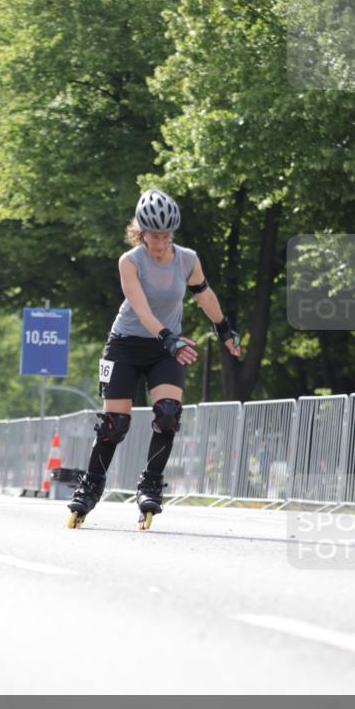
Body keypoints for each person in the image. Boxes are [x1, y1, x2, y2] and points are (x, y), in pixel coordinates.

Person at [67, 188, 241, 524]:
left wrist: (224, 328)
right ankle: (90, 487)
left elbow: (204, 295)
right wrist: (169, 338)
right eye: (153, 236)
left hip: (165, 349)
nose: (160, 243)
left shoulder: (187, 260)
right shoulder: (130, 262)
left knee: (168, 415)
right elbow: (142, 309)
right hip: (125, 345)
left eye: (166, 235)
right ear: (141, 232)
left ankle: (150, 486)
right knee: (114, 424)